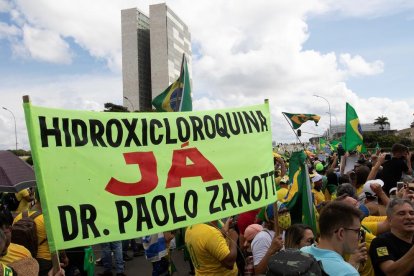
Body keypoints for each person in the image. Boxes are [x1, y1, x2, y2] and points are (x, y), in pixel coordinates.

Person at [301, 201, 361, 276]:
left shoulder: (302, 252)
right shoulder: (348, 273)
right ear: (341, 233)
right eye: (357, 231)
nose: (360, 236)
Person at [369, 198, 414, 275]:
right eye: (402, 214)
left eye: (412, 213)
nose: (409, 217)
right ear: (389, 220)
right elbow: (392, 273)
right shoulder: (380, 242)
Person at [251, 204, 284, 274]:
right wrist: (272, 250)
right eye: (282, 213)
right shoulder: (262, 238)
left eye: (287, 211)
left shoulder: (285, 232)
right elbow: (259, 272)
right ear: (272, 219)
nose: (287, 215)